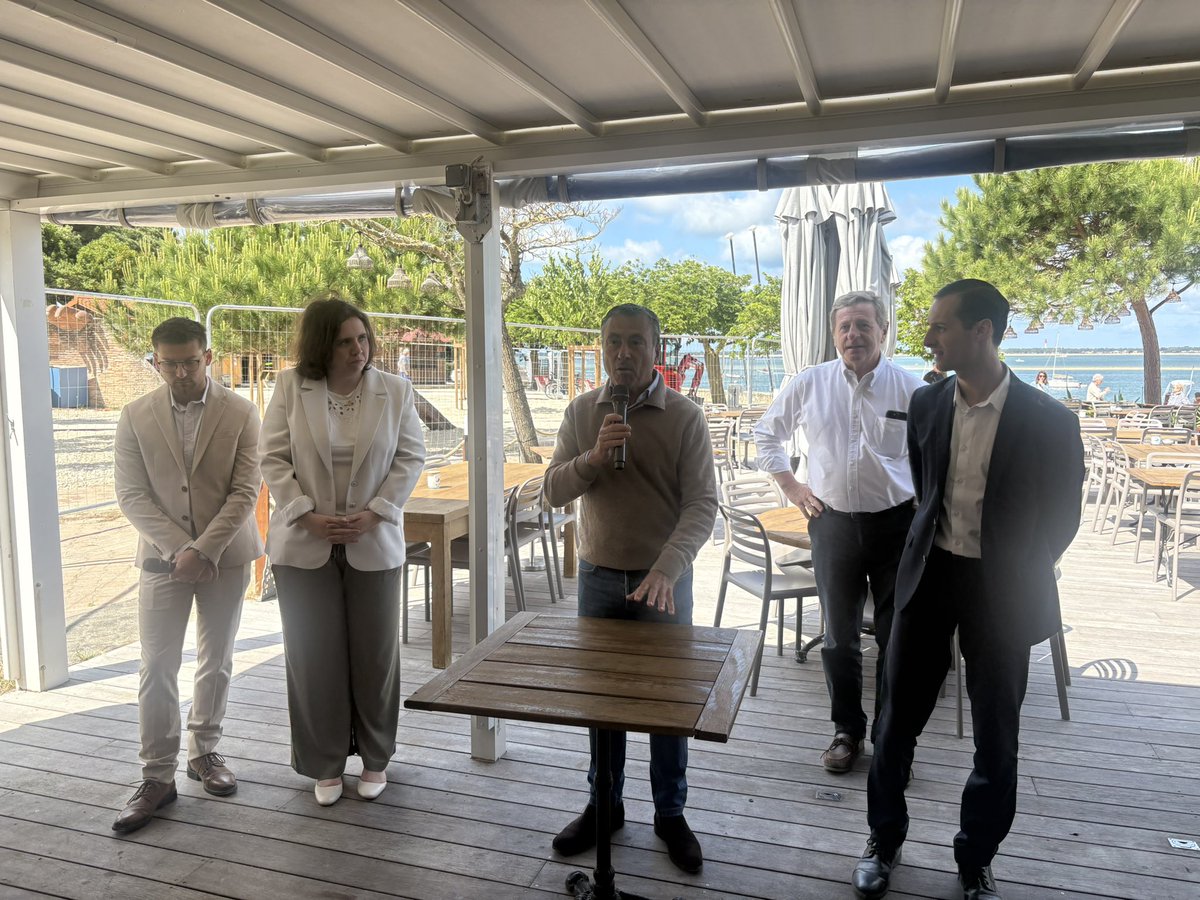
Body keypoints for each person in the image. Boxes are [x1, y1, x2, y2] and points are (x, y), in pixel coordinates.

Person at [851, 279, 1084, 900]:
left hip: (1002, 590)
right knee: (895, 721)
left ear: (981, 332)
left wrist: (1015, 567)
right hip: (929, 579)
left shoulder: (1050, 422)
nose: (927, 337)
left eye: (940, 327)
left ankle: (975, 858)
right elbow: (927, 491)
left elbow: (1064, 518)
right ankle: (884, 839)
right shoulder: (928, 405)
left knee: (996, 733)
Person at [544, 303, 717, 874]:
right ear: (602, 347)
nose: (623, 352)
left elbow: (701, 506)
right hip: (597, 578)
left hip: (663, 583)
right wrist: (592, 458)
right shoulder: (580, 411)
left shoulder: (685, 418)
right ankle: (604, 806)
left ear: (655, 350)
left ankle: (670, 813)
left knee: (667, 706)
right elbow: (551, 491)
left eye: (635, 342)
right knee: (602, 704)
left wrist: (668, 567)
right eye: (613, 341)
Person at [260, 295, 425, 806]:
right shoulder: (289, 388)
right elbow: (272, 457)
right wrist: (304, 512)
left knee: (376, 657)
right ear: (321, 347)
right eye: (345, 341)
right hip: (303, 544)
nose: (359, 349)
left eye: (363, 338)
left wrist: (377, 510)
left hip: (372, 541)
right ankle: (324, 762)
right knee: (312, 660)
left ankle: (376, 758)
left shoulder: (395, 390)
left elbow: (411, 454)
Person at [754, 291, 924, 774]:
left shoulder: (912, 390)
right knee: (838, 640)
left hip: (897, 526)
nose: (853, 335)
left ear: (883, 331)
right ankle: (846, 731)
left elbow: (935, 455)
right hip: (831, 524)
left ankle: (891, 739)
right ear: (834, 334)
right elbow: (767, 433)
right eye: (845, 327)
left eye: (863, 325)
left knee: (897, 638)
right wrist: (789, 483)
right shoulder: (809, 383)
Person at [112, 318, 263, 834]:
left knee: (216, 658)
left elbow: (246, 492)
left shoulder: (242, 412)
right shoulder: (134, 415)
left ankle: (205, 751)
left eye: (189, 361)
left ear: (209, 356)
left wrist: (205, 548)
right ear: (155, 362)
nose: (179, 371)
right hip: (161, 559)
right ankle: (157, 775)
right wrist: (181, 549)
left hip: (227, 555)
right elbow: (132, 494)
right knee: (156, 665)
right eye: (169, 362)